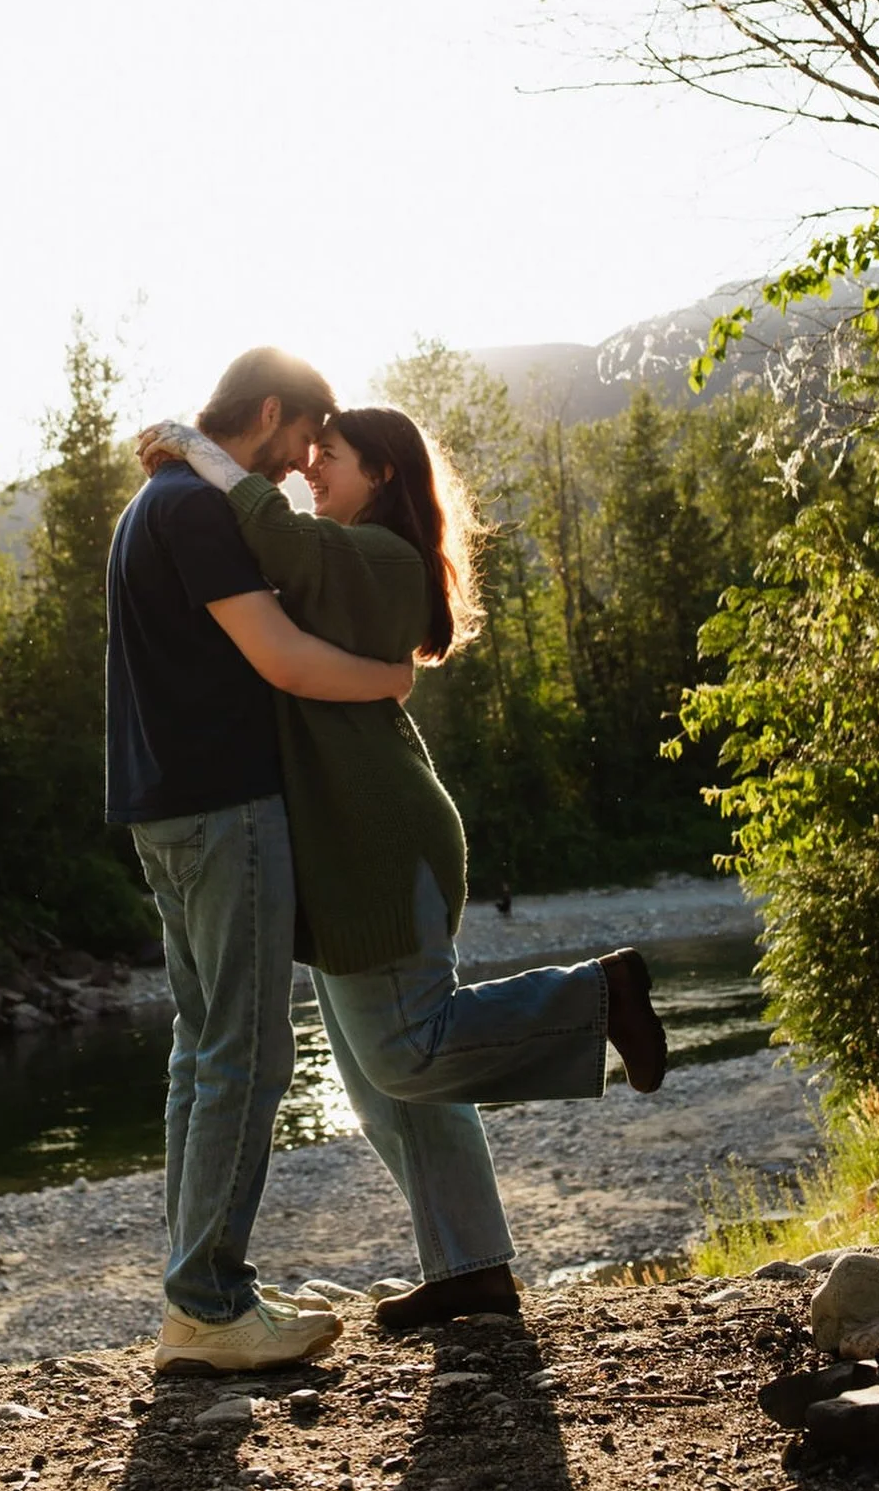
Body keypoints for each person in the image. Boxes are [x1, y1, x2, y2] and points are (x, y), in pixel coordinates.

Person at [138, 405, 668, 1331]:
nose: (310, 473)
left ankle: (598, 995)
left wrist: (202, 454)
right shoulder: (349, 559)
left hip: (378, 841)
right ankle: (469, 1267)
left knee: (409, 1052)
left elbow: (275, 536)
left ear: (382, 472)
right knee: (384, 1082)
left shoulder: (377, 559)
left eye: (328, 458)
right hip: (343, 853)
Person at [105, 349, 418, 1375]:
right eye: (302, 440)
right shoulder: (195, 510)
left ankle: (202, 1291)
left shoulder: (151, 504)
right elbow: (279, 654)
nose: (299, 465)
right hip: (225, 807)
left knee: (202, 1055)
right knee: (247, 1056)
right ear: (273, 411)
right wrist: (385, 680)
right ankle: (207, 1303)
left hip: (166, 812)